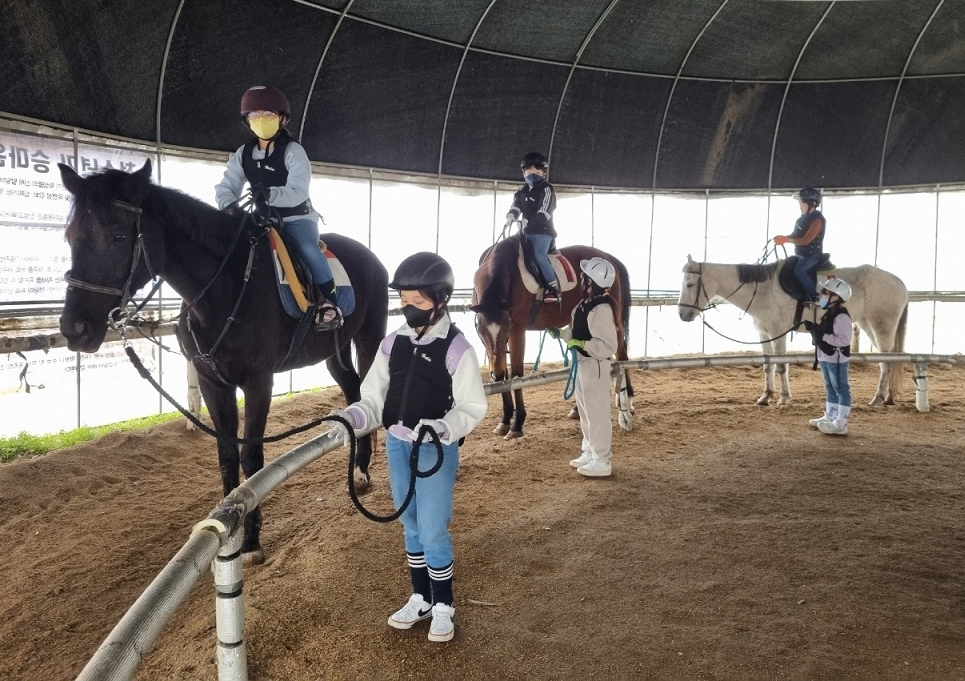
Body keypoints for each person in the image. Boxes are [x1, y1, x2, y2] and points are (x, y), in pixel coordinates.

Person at [331, 252, 487, 642]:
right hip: (398, 447)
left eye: (417, 302)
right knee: (410, 523)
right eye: (403, 301)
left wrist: (443, 427)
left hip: (434, 450)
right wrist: (352, 418)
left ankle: (444, 604)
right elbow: (373, 397)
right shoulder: (392, 342)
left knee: (433, 528)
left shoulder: (457, 348)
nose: (408, 309)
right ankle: (420, 597)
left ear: (440, 300)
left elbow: (473, 406)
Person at [215, 85, 343, 330]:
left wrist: (270, 195)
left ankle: (329, 302)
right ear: (247, 120)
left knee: (306, 248)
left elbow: (298, 191)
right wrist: (228, 207)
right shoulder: (243, 153)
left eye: (268, 115)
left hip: (297, 218)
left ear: (282, 118)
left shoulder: (294, 151)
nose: (260, 120)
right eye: (254, 115)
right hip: (261, 219)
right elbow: (227, 185)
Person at [549, 257, 619, 477]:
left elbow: (608, 345)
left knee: (597, 413)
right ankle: (589, 451)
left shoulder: (602, 308)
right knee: (586, 411)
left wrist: (582, 344)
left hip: (595, 365)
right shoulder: (585, 304)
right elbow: (577, 332)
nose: (581, 278)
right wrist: (563, 334)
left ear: (591, 280)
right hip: (583, 364)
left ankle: (602, 460)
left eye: (584, 275)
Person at [505, 151, 560, 303]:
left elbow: (544, 211)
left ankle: (552, 287)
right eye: (529, 172)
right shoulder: (521, 192)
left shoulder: (547, 189)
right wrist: (511, 216)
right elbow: (516, 207)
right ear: (523, 172)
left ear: (543, 173)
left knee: (538, 255)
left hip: (543, 232)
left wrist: (529, 221)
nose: (532, 174)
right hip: (525, 232)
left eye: (536, 172)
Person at [802, 277, 853, 435]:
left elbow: (844, 340)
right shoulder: (831, 313)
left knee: (841, 389)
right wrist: (816, 330)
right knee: (831, 388)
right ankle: (831, 416)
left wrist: (821, 335)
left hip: (835, 359)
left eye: (826, 292)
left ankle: (840, 424)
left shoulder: (842, 317)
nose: (822, 295)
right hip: (826, 356)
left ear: (836, 297)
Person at [773, 187, 826, 303]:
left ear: (812, 204)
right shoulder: (801, 219)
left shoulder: (817, 221)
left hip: (812, 256)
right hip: (799, 254)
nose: (800, 206)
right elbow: (795, 235)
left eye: (802, 204)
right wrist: (782, 237)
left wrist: (786, 240)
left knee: (799, 270)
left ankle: (813, 296)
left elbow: (806, 240)